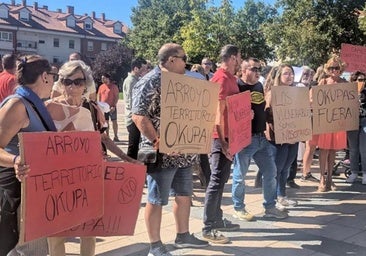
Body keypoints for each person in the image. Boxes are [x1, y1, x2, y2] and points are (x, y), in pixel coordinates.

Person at [132, 43, 208, 256]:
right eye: (184, 58)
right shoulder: (150, 81)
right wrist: (158, 141)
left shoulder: (185, 81)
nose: (187, 61)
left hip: (184, 151)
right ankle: (155, 245)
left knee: (184, 195)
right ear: (172, 60)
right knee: (156, 199)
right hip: (160, 154)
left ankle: (183, 235)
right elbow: (138, 115)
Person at [0, 55, 57, 255]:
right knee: (30, 250)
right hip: (19, 190)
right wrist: (16, 161)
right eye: (53, 76)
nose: (54, 81)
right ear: (44, 77)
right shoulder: (17, 105)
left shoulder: (34, 103)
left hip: (35, 190)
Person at [45, 60, 99, 256]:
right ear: (61, 82)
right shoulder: (48, 108)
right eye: (67, 81)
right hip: (56, 179)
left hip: (84, 178)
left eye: (78, 82)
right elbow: (40, 146)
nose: (72, 86)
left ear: (86, 83)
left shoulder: (89, 109)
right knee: (56, 230)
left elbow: (98, 141)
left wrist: (123, 158)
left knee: (88, 229)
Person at [232, 58, 288, 222]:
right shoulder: (237, 86)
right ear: (243, 70)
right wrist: (242, 117)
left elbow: (261, 106)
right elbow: (228, 112)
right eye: (254, 69)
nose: (258, 72)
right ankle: (238, 208)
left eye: (259, 69)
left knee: (271, 172)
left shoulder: (258, 86)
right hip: (244, 139)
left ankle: (269, 207)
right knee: (240, 176)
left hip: (260, 138)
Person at [201, 45, 242, 244]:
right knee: (216, 180)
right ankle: (208, 227)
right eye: (239, 57)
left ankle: (217, 219)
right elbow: (217, 112)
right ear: (233, 57)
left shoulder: (230, 78)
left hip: (228, 137)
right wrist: (224, 141)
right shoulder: (222, 78)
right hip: (220, 138)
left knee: (222, 178)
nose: (240, 60)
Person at [265, 64, 298, 208]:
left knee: (286, 168)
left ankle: (281, 195)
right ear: (279, 76)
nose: (289, 76)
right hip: (278, 139)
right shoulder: (272, 93)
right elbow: (266, 115)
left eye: (291, 73)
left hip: (293, 136)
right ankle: (272, 199)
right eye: (286, 74)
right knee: (276, 169)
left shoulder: (296, 93)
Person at [314, 56, 347, 192]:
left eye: (336, 68)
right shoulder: (323, 82)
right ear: (327, 69)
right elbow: (314, 99)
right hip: (325, 121)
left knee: (333, 150)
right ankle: (322, 178)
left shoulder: (345, 83)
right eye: (331, 68)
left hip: (338, 122)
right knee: (324, 149)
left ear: (341, 69)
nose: (334, 70)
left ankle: (330, 179)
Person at [287, 66, 315, 189]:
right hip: (289, 124)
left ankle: (290, 178)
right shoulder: (296, 87)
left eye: (310, 75)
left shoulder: (309, 88)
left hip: (299, 124)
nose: (308, 77)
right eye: (305, 74)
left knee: (292, 153)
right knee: (286, 154)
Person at [123, 57, 147, 159]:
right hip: (132, 118)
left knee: (136, 145)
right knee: (133, 146)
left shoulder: (136, 80)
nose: (144, 71)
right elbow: (131, 102)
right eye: (143, 69)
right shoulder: (131, 81)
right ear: (136, 68)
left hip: (136, 117)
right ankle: (130, 168)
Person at [346, 71, 366, 184]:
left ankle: (365, 173)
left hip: (364, 122)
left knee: (364, 149)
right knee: (353, 149)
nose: (361, 82)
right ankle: (353, 172)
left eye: (363, 80)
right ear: (353, 81)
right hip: (352, 123)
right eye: (359, 80)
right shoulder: (348, 93)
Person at [98, 73, 120, 142]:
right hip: (104, 108)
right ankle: (107, 135)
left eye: (104, 78)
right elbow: (99, 97)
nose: (102, 80)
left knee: (114, 121)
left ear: (108, 78)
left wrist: (114, 106)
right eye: (102, 78)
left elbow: (116, 97)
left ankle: (116, 136)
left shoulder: (114, 86)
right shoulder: (101, 87)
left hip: (112, 107)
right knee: (106, 122)